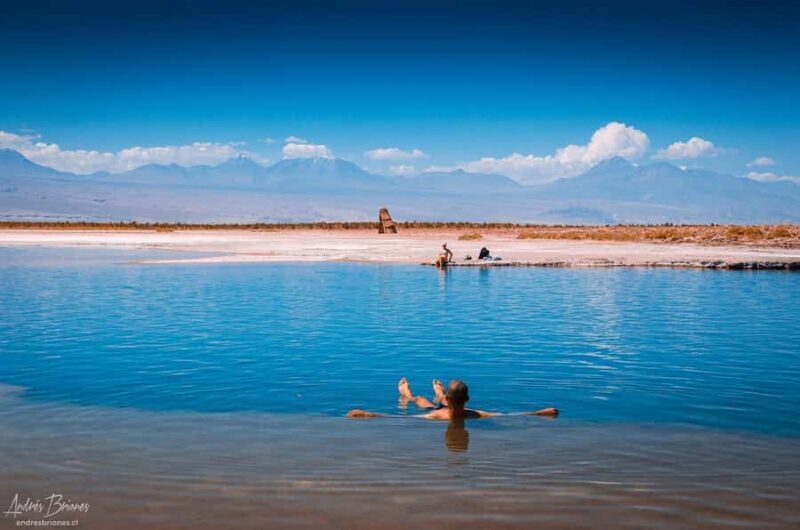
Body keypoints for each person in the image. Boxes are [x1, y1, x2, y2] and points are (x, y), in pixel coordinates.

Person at [347, 378, 558, 420]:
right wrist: (541, 412)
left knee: (420, 401)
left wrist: (368, 414)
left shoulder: (436, 417)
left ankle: (408, 394)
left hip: (440, 407)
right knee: (423, 401)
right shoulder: (477, 415)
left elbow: (396, 419)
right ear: (468, 399)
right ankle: (410, 394)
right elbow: (512, 415)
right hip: (445, 404)